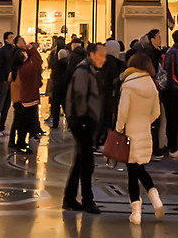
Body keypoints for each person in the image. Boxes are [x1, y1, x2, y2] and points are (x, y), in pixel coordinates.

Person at [112, 46, 165, 222]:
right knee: (139, 169)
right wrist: (145, 121)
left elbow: (122, 112)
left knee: (133, 172)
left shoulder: (128, 85)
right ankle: (156, 200)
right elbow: (156, 112)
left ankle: (136, 212)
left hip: (129, 134)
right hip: (145, 133)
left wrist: (119, 129)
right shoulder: (152, 85)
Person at [63, 40, 107, 213]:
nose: (104, 59)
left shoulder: (90, 69)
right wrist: (82, 120)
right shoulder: (83, 70)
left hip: (85, 121)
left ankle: (70, 198)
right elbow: (80, 96)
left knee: (81, 161)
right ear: (92, 54)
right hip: (82, 122)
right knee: (86, 163)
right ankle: (87, 201)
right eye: (101, 55)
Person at [9, 39, 43, 155]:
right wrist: (31, 48)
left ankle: (19, 143)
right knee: (25, 123)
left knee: (21, 122)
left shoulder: (19, 68)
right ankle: (21, 144)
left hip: (24, 99)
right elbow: (38, 61)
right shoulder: (26, 68)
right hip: (28, 99)